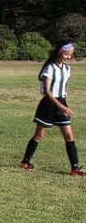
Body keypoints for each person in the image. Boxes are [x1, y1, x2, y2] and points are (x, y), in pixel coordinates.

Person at [19, 42, 85, 175]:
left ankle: (75, 168)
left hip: (61, 103)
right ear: (59, 52)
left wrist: (64, 102)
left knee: (69, 135)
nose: (68, 57)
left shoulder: (67, 69)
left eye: (70, 55)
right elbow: (48, 91)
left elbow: (64, 86)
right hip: (48, 104)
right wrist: (60, 105)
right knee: (39, 135)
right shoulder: (49, 68)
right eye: (66, 54)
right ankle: (25, 161)